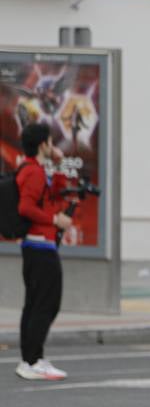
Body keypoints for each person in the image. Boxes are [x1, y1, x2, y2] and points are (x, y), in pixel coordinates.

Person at [13, 122, 73, 381]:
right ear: (42, 145)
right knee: (47, 304)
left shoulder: (32, 169)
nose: (53, 146)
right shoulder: (34, 172)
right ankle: (32, 360)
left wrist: (58, 164)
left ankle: (31, 358)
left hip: (36, 245)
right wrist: (55, 220)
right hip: (40, 247)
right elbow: (25, 208)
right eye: (50, 141)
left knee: (35, 304)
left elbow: (55, 195)